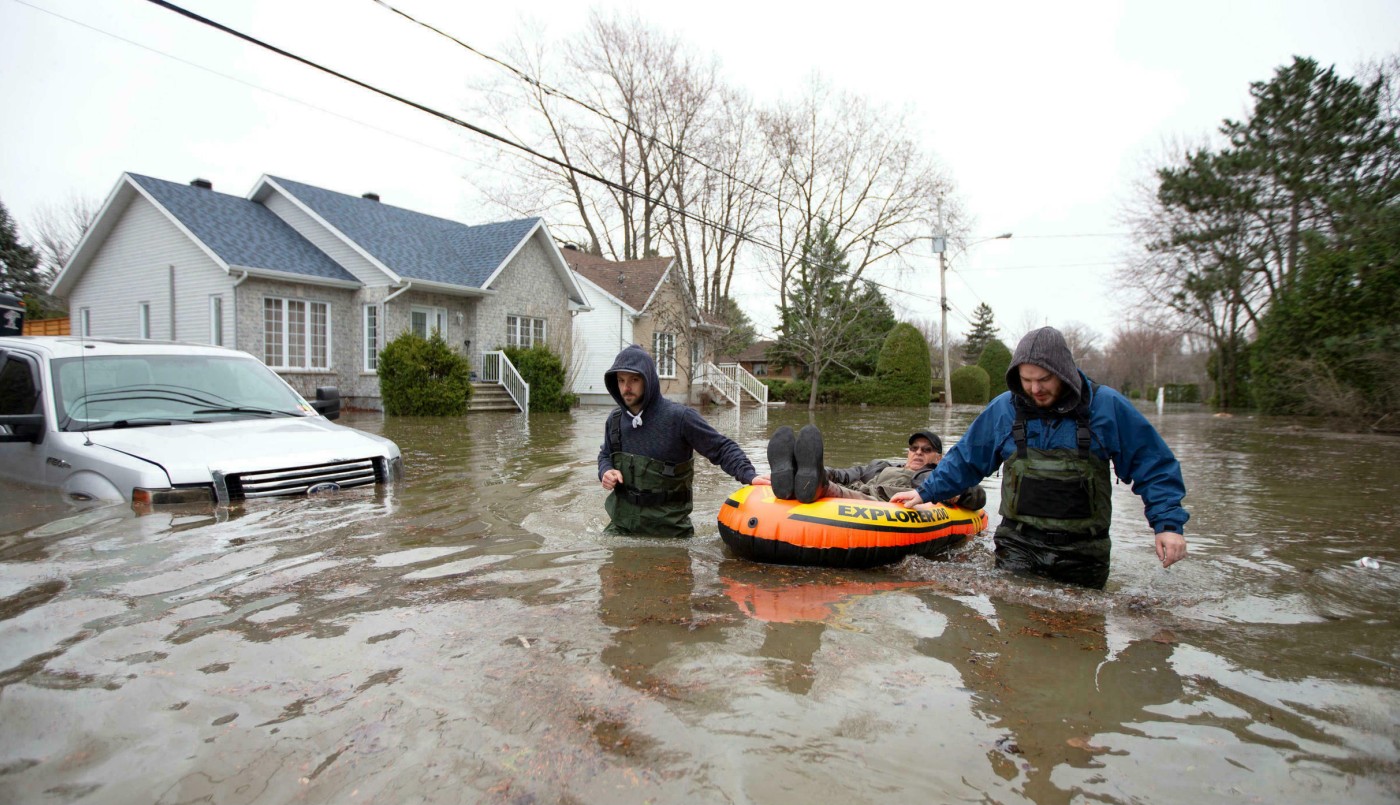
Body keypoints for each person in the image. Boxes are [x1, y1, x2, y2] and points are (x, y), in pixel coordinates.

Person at [890, 326, 1189, 589]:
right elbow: (967, 458)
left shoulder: (1107, 406)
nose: (1034, 389)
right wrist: (926, 491)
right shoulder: (1004, 409)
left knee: (1083, 639)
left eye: (1044, 379)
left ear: (1064, 373)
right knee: (1013, 629)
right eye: (1026, 380)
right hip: (1019, 544)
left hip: (1084, 551)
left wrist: (1168, 526)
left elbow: (1153, 466)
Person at [598, 344, 761, 537]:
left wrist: (750, 475)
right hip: (621, 527)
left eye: (634, 379)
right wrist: (606, 471)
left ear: (648, 380)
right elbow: (605, 454)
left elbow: (721, 448)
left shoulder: (680, 418)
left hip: (670, 533)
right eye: (621, 380)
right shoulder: (614, 420)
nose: (626, 387)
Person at [757, 425, 986, 510]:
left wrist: (954, 492)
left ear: (938, 457)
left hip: (880, 504)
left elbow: (977, 496)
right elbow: (848, 474)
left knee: (838, 489)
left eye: (926, 450)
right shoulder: (880, 465)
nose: (918, 452)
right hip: (858, 492)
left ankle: (816, 485)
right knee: (835, 478)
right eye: (914, 448)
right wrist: (827, 472)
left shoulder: (937, 477)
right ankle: (797, 477)